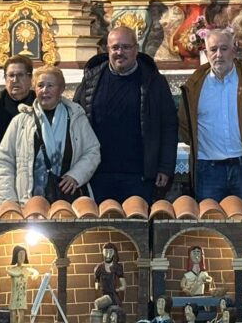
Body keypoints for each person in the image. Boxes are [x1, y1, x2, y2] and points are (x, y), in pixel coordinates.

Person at [75, 26, 177, 203]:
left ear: (136, 49)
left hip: (138, 175)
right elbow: (76, 121)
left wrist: (165, 167)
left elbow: (168, 126)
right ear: (107, 49)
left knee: (137, 227)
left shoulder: (153, 81)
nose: (119, 52)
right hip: (98, 173)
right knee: (101, 228)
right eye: (115, 47)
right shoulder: (91, 79)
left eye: (126, 47)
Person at [179, 28, 242, 202]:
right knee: (210, 223)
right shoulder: (194, 87)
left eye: (224, 48)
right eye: (213, 49)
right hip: (208, 169)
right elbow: (185, 126)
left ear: (234, 51)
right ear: (206, 52)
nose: (218, 54)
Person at [0, 65, 101, 203]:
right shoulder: (20, 121)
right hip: (29, 201)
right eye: (40, 85)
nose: (45, 90)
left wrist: (76, 175)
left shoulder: (76, 118)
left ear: (61, 89)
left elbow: (92, 151)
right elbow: (4, 161)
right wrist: (9, 200)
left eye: (50, 85)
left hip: (69, 198)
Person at [0, 55, 36, 200]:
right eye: (11, 75)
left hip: (33, 175)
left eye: (20, 75)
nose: (15, 80)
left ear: (30, 79)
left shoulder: (39, 105)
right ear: (5, 79)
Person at [7, 246, 40, 323]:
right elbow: (11, 272)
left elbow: (35, 271)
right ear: (15, 256)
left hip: (22, 294)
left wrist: (35, 274)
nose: (22, 256)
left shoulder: (26, 269)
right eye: (20, 254)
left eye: (23, 254)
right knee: (13, 309)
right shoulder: (12, 269)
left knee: (22, 309)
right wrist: (19, 274)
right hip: (15, 294)